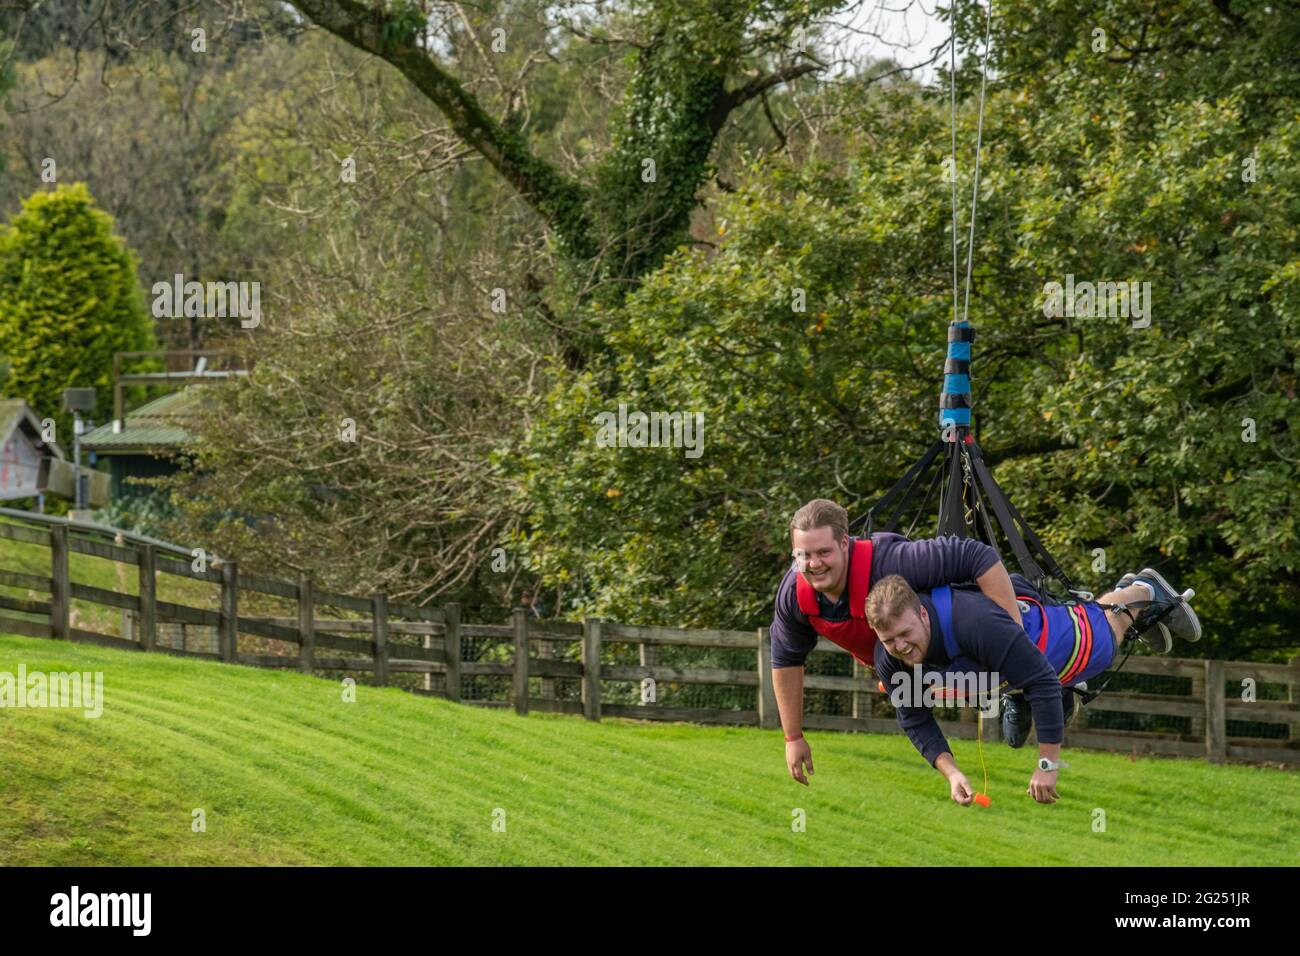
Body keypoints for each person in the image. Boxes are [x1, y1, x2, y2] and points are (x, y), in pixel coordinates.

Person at [866, 569, 1201, 804]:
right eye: (889, 640)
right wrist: (951, 773)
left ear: (923, 615)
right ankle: (1133, 609)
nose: (901, 646)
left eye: (905, 634)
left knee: (1102, 647)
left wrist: (1047, 765)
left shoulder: (973, 623)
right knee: (1018, 709)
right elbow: (914, 716)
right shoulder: (891, 657)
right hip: (1010, 671)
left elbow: (1042, 683)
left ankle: (1141, 592)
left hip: (1041, 638)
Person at [770, 497, 1030, 787]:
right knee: (912, 696)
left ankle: (1025, 692)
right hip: (902, 664)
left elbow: (976, 555)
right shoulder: (794, 595)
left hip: (966, 629)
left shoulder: (895, 561)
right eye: (803, 555)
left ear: (845, 543)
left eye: (823, 552)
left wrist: (1014, 636)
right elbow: (785, 659)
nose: (813, 564)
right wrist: (793, 737)